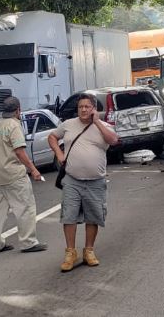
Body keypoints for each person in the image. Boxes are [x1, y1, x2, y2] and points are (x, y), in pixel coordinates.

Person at [48, 93, 119, 272]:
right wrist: (59, 153)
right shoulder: (69, 125)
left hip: (96, 180)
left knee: (93, 216)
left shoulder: (103, 126)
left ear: (94, 108)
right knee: (69, 216)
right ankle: (70, 252)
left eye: (87, 106)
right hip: (72, 179)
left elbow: (114, 140)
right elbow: (52, 137)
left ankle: (89, 250)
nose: (84, 110)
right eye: (81, 107)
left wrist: (97, 122)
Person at [0, 96, 48, 254]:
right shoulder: (14, 126)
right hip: (14, 175)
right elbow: (19, 151)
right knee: (25, 207)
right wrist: (33, 169)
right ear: (17, 110)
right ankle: (28, 242)